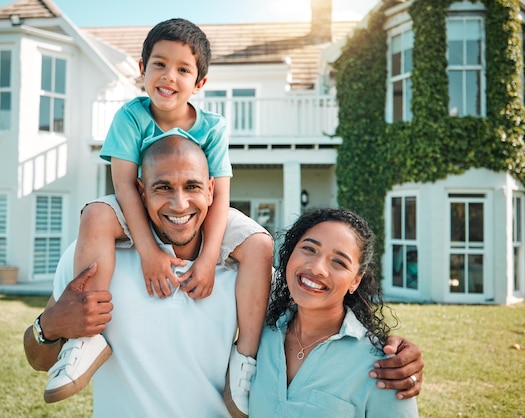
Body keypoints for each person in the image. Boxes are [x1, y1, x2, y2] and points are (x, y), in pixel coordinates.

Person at [24, 136, 423, 417]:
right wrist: (49, 326)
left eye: (193, 186)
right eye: (163, 187)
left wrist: (395, 351)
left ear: (212, 190)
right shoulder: (96, 260)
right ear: (140, 191)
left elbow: (318, 314)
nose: (180, 203)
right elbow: (39, 358)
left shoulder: (250, 278)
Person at [42, 18, 274, 417]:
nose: (169, 77)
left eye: (183, 69)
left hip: (208, 214)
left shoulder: (213, 127)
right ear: (142, 68)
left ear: (200, 82)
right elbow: (125, 187)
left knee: (260, 244)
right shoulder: (130, 118)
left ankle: (245, 360)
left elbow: (219, 198)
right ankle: (88, 337)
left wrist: (207, 260)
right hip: (135, 203)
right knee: (96, 214)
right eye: (159, 65)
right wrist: (148, 251)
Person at [249, 207, 420, 416]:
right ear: (291, 252)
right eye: (309, 249)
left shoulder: (384, 367)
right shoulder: (260, 331)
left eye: (339, 262)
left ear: (355, 281)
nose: (318, 268)